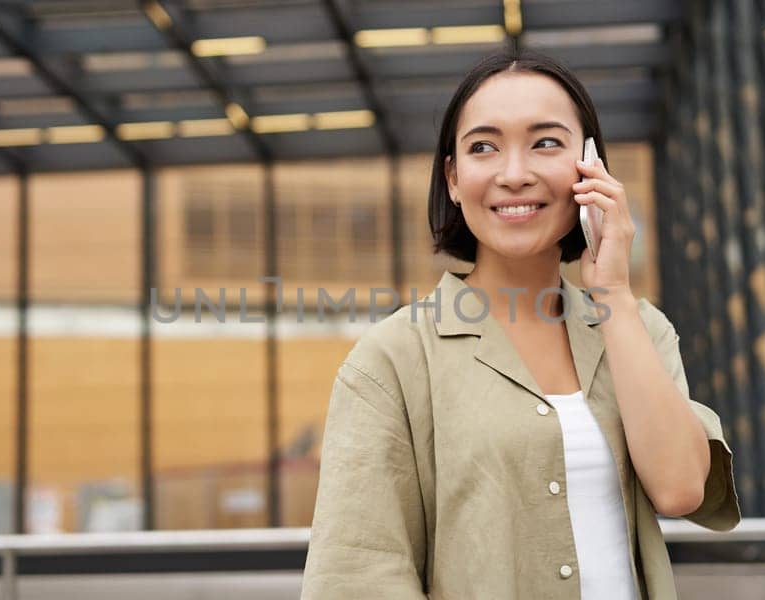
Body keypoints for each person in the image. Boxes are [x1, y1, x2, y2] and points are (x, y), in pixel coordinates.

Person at [300, 49, 740, 599]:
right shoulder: (393, 358)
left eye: (546, 143)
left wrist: (614, 296)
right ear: (454, 180)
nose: (514, 174)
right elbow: (359, 575)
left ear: (590, 165)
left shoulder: (638, 328)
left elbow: (679, 490)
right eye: (483, 147)